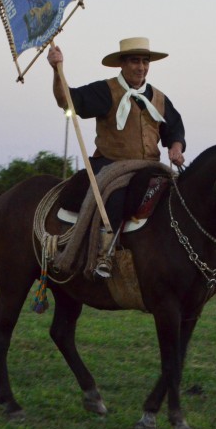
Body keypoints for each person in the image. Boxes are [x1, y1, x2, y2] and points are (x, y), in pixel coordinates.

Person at [47, 37, 186, 278]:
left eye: (145, 61)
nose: (141, 67)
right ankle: (104, 254)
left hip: (149, 167)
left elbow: (174, 129)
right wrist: (57, 71)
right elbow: (66, 100)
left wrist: (176, 148)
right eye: (134, 61)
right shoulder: (106, 91)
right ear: (122, 64)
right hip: (111, 165)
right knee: (117, 194)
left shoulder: (160, 99)